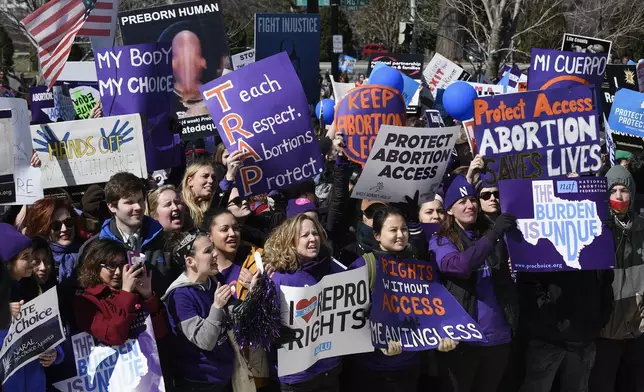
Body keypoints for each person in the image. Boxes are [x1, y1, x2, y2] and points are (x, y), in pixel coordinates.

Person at [348, 207, 457, 392]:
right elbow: (350, 319)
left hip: (410, 365)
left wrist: (442, 335)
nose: (400, 235)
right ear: (377, 235)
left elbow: (433, 308)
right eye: (393, 230)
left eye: (404, 229)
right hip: (373, 369)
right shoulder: (362, 267)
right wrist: (377, 342)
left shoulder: (420, 268)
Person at [429, 175, 518, 392]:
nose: (470, 205)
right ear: (449, 210)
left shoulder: (490, 231)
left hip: (499, 337)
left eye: (472, 199)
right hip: (464, 340)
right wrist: (495, 234)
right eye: (462, 202)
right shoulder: (441, 240)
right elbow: (458, 266)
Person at [263, 214, 343, 391]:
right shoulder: (279, 278)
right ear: (290, 242)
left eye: (315, 233)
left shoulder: (333, 268)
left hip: (329, 370)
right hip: (297, 376)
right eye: (305, 235)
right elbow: (260, 326)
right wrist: (275, 332)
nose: (313, 239)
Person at [162, 229, 239, 391]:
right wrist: (217, 306)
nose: (215, 254)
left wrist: (254, 291)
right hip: (199, 381)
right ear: (190, 261)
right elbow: (205, 341)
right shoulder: (179, 296)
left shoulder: (213, 280)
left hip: (224, 373)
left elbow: (234, 316)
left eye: (213, 248)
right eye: (208, 251)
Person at [589, 164, 644, 392]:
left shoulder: (641, 228)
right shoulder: (597, 228)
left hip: (638, 329)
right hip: (605, 331)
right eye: (612, 191)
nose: (619, 196)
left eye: (623, 190)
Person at [79, 172, 171, 294]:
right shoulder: (93, 248)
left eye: (140, 200)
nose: (138, 207)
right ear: (112, 206)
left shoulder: (165, 240)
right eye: (129, 202)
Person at [0, 223, 64, 392]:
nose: (32, 263)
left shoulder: (31, 289)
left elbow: (46, 331)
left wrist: (55, 353)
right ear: (8, 262)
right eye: (26, 257)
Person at [73, 238, 167, 346]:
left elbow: (160, 333)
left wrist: (148, 296)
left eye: (121, 265)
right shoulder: (85, 301)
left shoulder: (134, 292)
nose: (118, 272)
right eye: (111, 265)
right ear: (95, 266)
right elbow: (115, 336)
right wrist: (126, 293)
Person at [206, 208, 260, 301]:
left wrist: (258, 288)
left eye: (236, 228)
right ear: (209, 236)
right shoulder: (203, 271)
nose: (232, 234)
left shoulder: (257, 260)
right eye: (224, 229)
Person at [23, 197, 81, 283]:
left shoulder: (87, 252)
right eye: (56, 225)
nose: (64, 229)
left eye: (68, 222)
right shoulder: (33, 256)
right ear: (44, 229)